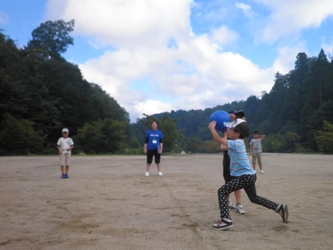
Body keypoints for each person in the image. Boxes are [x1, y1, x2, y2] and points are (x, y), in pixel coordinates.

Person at [208, 119, 288, 230]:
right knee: (254, 198)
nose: (228, 130)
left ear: (237, 133)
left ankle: (226, 220)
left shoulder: (236, 143)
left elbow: (218, 139)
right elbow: (223, 145)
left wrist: (212, 128)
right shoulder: (237, 143)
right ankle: (279, 207)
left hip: (244, 177)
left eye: (230, 129)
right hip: (249, 176)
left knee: (221, 191)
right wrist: (226, 134)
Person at [224, 110, 246, 214]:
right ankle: (226, 201)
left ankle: (238, 203)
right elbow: (223, 147)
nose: (236, 117)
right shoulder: (227, 128)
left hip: (236, 158)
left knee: (237, 181)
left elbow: (244, 123)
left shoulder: (239, 128)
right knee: (228, 181)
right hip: (228, 158)